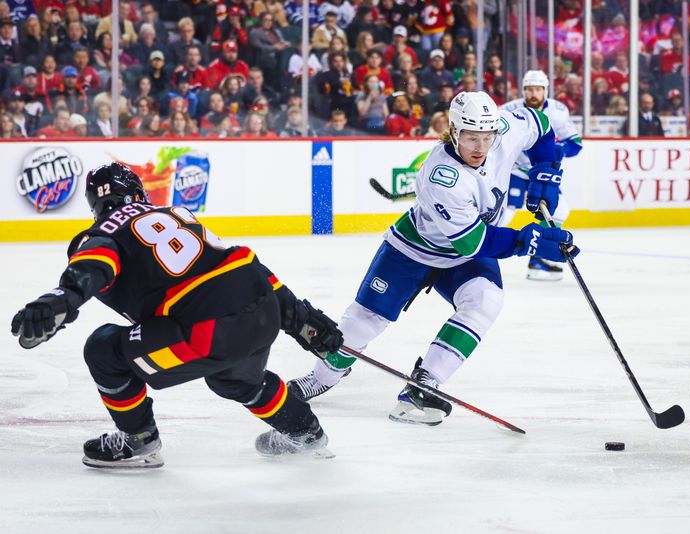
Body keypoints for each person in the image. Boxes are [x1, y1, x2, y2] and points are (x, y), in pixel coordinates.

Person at [10, 163, 344, 468]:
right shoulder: (177, 213)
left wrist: (59, 301)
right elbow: (239, 265)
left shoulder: (102, 234)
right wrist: (300, 319)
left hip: (207, 329)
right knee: (235, 379)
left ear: (95, 208)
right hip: (262, 309)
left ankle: (138, 439)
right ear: (139, 194)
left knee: (103, 349)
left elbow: (93, 267)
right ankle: (306, 431)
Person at [287, 91, 578, 425]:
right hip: (415, 249)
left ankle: (425, 383)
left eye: (486, 137)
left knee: (486, 300)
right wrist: (531, 240)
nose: (480, 147)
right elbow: (474, 242)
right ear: (453, 130)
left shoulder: (503, 130)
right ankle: (321, 378)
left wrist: (546, 168)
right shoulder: (442, 175)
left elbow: (540, 124)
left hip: (466, 252)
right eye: (471, 138)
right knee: (362, 322)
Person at [501, 70, 583, 281]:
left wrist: (561, 149)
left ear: (545, 90)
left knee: (560, 209)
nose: (534, 93)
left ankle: (539, 259)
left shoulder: (558, 111)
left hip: (542, 172)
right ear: (523, 90)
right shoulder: (509, 110)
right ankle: (478, 254)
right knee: (505, 212)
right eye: (529, 89)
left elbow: (576, 143)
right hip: (515, 171)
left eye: (538, 89)